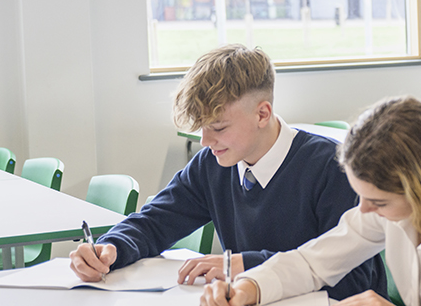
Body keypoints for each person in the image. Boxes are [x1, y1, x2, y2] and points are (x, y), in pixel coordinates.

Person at [67, 44, 386, 301]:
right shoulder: (213, 165)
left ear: (263, 113)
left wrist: (243, 264)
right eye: (203, 129)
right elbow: (155, 222)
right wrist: (112, 248)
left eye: (218, 127)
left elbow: (350, 281)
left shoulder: (331, 168)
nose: (205, 141)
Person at [199, 97, 421, 306]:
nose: (364, 212)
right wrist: (251, 287)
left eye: (378, 201)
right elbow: (314, 262)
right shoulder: (395, 211)